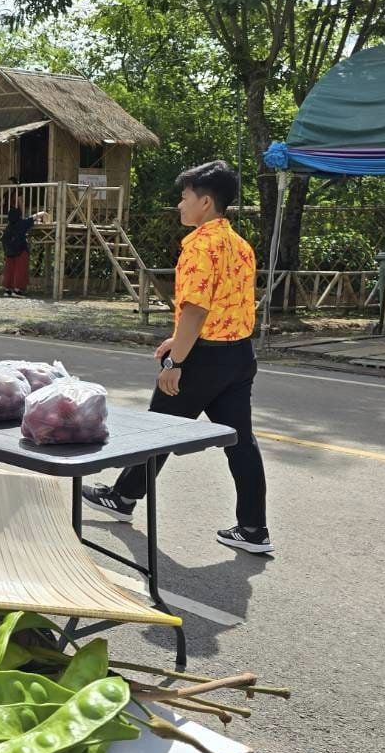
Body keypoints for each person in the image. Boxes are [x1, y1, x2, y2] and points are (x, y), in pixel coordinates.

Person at [83, 160, 270, 554]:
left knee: (157, 432)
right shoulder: (240, 245)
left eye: (184, 198)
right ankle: (254, 528)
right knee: (240, 442)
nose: (179, 205)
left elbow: (197, 310)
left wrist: (176, 361)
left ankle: (123, 498)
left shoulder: (201, 245)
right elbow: (222, 306)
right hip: (239, 355)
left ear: (205, 202)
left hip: (202, 359)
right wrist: (177, 341)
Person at [1, 195, 48, 297]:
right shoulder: (22, 223)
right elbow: (34, 217)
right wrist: (44, 213)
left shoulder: (8, 227)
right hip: (21, 250)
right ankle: (17, 290)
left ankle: (7, 289)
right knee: (20, 269)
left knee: (9, 269)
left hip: (9, 251)